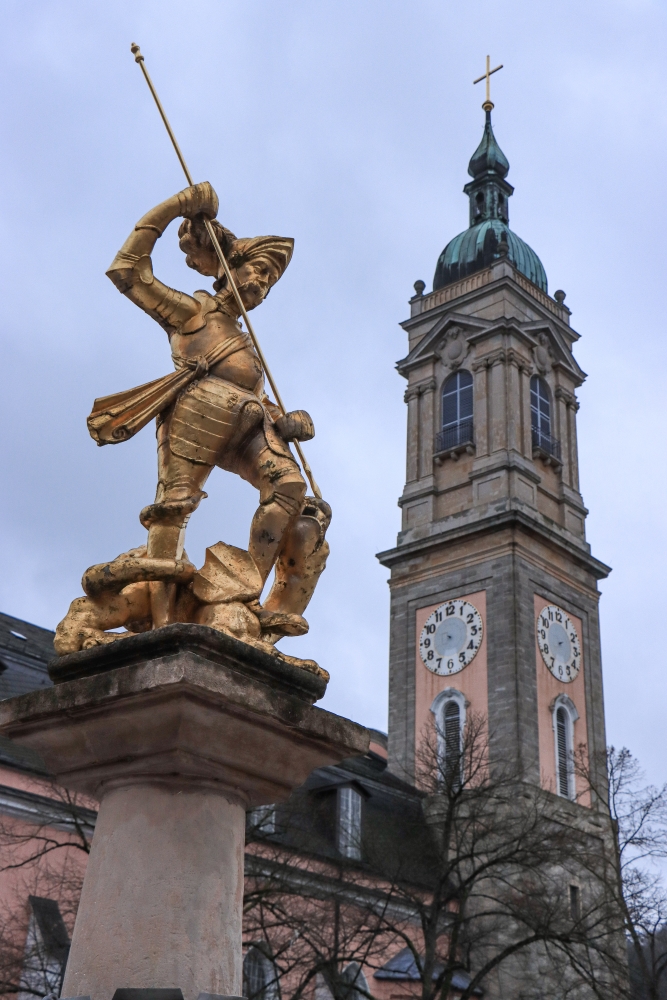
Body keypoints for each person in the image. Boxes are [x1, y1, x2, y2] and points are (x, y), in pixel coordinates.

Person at [94, 181, 325, 636]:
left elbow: (253, 392)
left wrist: (286, 419)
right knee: (173, 510)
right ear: (227, 270)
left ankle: (242, 587)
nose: (261, 282)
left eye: (268, 279)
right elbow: (126, 271)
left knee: (291, 487)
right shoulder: (194, 312)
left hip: (247, 423)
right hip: (197, 413)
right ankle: (161, 623)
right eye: (256, 271)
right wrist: (179, 205)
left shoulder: (245, 340)